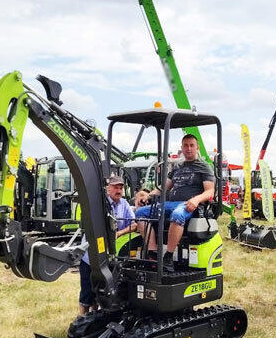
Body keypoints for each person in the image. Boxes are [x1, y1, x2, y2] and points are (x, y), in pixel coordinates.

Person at [134, 134, 215, 272]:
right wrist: (148, 196)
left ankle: (168, 257)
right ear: (182, 148)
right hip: (171, 204)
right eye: (185, 145)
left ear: (197, 148)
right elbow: (164, 188)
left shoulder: (204, 167)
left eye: (191, 145)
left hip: (189, 205)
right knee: (140, 213)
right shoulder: (177, 167)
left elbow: (210, 192)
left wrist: (196, 200)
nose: (188, 148)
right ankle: (153, 254)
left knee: (177, 215)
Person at [79, 175, 136, 314]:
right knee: (87, 291)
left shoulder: (124, 204)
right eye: (115, 187)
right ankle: (82, 318)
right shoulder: (99, 205)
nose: (119, 190)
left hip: (108, 256)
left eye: (121, 187)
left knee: (103, 291)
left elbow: (134, 224)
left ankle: (95, 317)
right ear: (107, 188)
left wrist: (118, 233)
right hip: (91, 256)